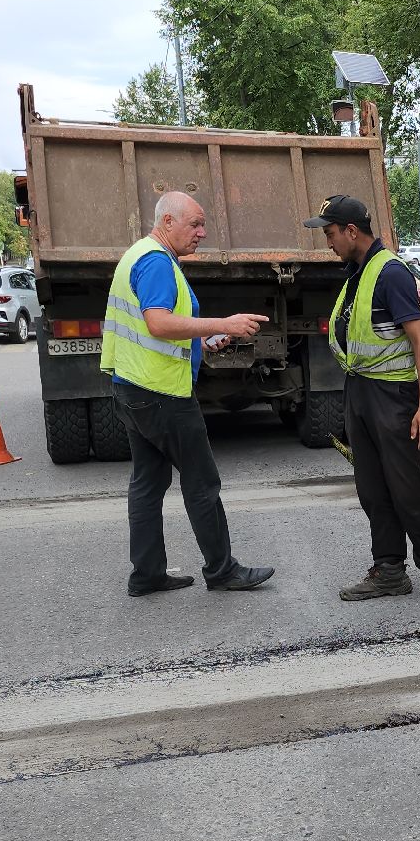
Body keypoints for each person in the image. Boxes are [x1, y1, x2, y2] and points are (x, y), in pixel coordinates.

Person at [102, 190, 276, 596]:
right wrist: (227, 324)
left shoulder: (139, 254)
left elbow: (160, 329)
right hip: (162, 394)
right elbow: (159, 324)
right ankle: (223, 570)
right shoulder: (157, 263)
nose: (202, 232)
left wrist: (202, 340)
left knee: (147, 483)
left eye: (202, 225)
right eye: (194, 224)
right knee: (201, 483)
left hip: (132, 386)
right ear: (167, 223)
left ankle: (146, 575)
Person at [305, 194, 420, 606]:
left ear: (351, 231)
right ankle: (389, 570)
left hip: (393, 396)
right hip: (361, 392)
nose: (328, 242)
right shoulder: (357, 271)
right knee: (372, 488)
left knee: (406, 488)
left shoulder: (389, 272)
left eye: (331, 233)